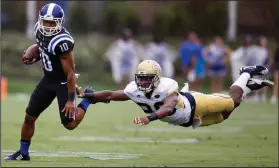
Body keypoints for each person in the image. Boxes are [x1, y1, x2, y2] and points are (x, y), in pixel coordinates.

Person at [5, 3, 94, 161]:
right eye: (45, 21)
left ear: (59, 22)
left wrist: (70, 100)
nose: (47, 25)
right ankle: (23, 153)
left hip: (63, 83)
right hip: (48, 79)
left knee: (69, 124)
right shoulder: (38, 30)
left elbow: (70, 74)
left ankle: (87, 99)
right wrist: (33, 55)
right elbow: (41, 47)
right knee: (29, 116)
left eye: (52, 22)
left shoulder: (63, 41)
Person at [77, 60, 273, 129]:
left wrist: (149, 118)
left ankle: (246, 73)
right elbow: (111, 95)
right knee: (224, 117)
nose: (143, 82)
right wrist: (89, 96)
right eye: (141, 78)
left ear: (157, 78)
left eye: (148, 78)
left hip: (196, 104)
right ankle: (249, 86)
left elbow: (168, 108)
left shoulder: (167, 85)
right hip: (188, 121)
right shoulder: (134, 89)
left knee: (232, 102)